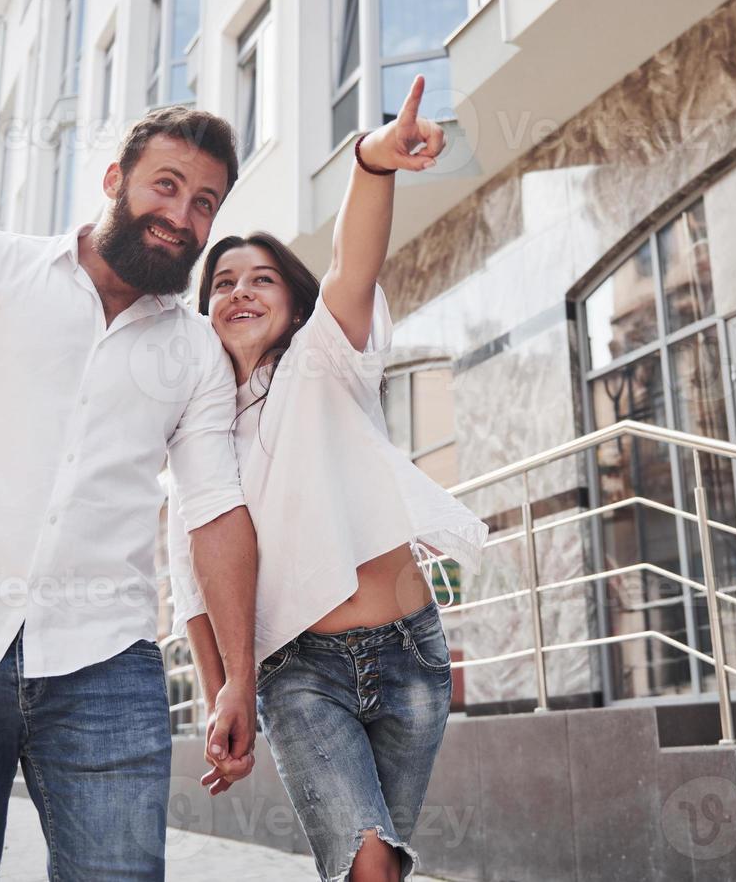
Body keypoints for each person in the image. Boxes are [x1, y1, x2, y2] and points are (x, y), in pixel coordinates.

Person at [0, 107, 260, 881]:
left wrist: (237, 676)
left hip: (106, 660)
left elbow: (214, 508)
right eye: (166, 187)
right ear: (114, 181)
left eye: (204, 202)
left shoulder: (196, 353)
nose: (181, 217)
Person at [170, 76, 487, 882]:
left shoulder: (324, 360)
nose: (239, 291)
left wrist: (371, 164)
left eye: (260, 278)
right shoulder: (194, 438)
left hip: (413, 654)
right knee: (367, 863)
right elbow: (197, 595)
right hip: (299, 673)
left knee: (378, 864)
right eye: (222, 283)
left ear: (293, 300)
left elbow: (352, 261)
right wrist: (222, 699)